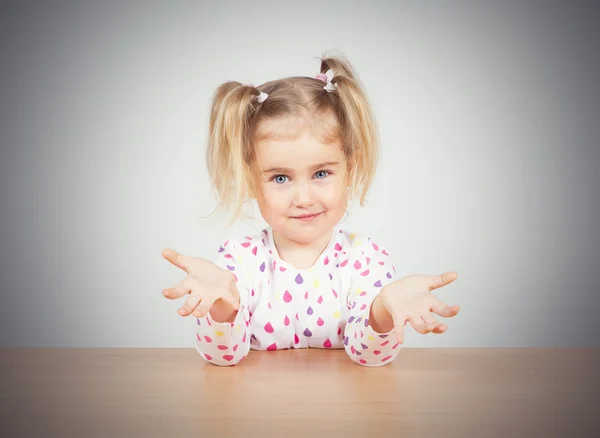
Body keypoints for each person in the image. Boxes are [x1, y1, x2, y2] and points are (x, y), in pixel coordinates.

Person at [161, 51, 460, 367]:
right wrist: (222, 306)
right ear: (250, 182)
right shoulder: (237, 262)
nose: (303, 198)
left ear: (350, 170)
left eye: (321, 174)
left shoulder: (366, 260)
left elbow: (369, 356)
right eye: (280, 178)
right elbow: (224, 357)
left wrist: (383, 309)